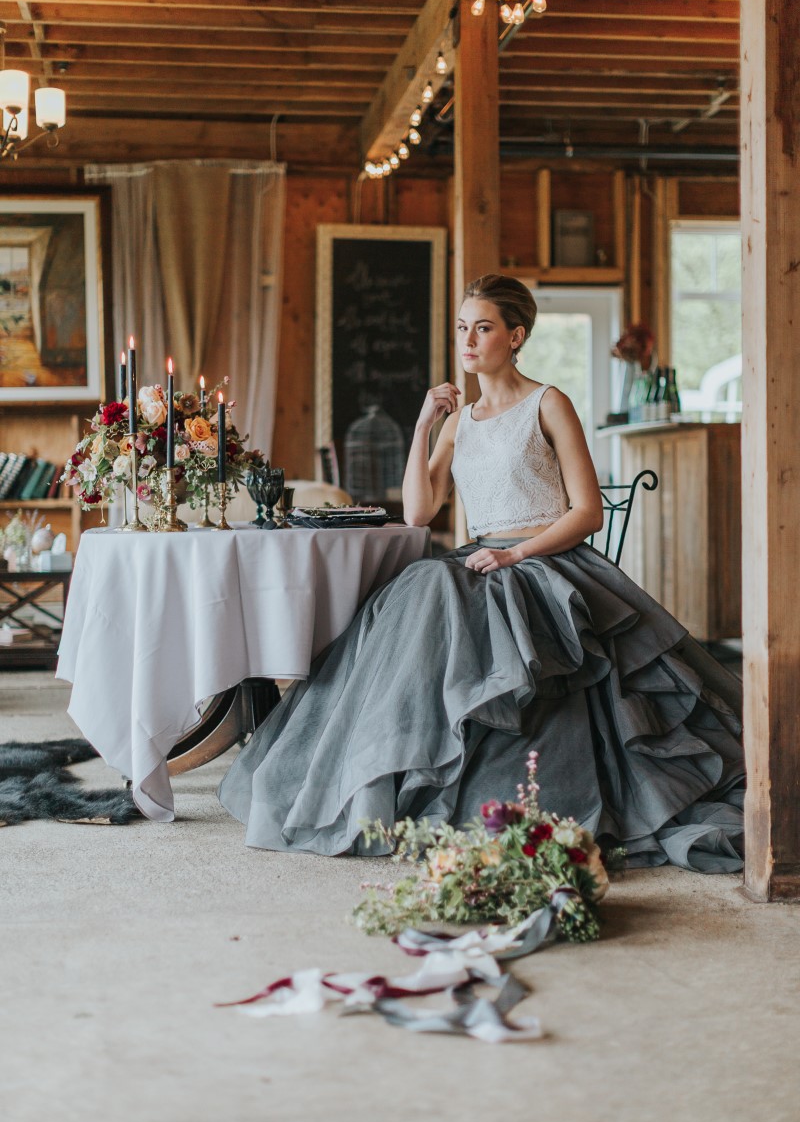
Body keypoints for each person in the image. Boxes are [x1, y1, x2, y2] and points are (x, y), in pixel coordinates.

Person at [219, 274, 744, 871]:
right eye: (463, 327)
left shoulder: (548, 402)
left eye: (484, 328)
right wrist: (423, 425)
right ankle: (403, 786)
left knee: (460, 606)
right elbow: (419, 511)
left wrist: (516, 556)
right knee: (420, 590)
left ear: (516, 336)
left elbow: (588, 511)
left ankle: (514, 801)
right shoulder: (459, 420)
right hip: (478, 558)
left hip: (545, 562)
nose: (468, 340)